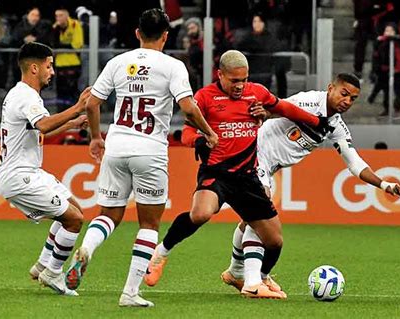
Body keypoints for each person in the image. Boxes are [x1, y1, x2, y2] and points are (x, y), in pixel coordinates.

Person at [143, 50, 333, 299]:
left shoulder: (257, 93)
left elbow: (284, 108)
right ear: (219, 75)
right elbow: (185, 132)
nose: (240, 86)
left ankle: (257, 277)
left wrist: (316, 122)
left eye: (244, 80)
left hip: (247, 177)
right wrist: (198, 140)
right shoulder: (205, 98)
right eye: (234, 81)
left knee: (275, 241)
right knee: (200, 214)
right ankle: (161, 254)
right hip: (217, 173)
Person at [64, 9, 218, 308]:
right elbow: (187, 108)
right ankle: (130, 293)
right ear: (166, 35)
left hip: (117, 146)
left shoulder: (117, 62)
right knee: (149, 224)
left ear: (137, 33)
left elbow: (93, 103)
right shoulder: (173, 66)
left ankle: (86, 249)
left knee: (108, 215)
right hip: (150, 151)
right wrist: (209, 133)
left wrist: (96, 137)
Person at [220, 73, 400, 293]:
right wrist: (264, 112)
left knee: (250, 218)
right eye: (344, 94)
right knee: (261, 214)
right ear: (331, 88)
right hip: (255, 153)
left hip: (269, 166)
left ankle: (236, 273)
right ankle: (253, 283)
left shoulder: (336, 126)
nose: (347, 101)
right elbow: (277, 106)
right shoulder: (308, 101)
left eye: (353, 98)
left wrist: (385, 185)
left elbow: (354, 163)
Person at [0, 42, 90, 296]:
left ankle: (42, 265)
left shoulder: (22, 95)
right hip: (20, 176)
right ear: (35, 68)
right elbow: (45, 125)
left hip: (29, 171)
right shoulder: (26, 96)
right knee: (74, 220)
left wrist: (71, 124)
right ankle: (53, 273)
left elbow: (39, 130)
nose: (53, 72)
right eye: (49, 66)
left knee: (75, 210)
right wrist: (77, 108)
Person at [367, 23, 400, 119]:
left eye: (391, 31)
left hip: (396, 70)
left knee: (397, 90)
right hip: (384, 69)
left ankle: (397, 109)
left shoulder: (397, 42)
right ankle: (386, 109)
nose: (388, 33)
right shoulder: (381, 42)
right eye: (387, 31)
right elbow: (377, 55)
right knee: (385, 90)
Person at [52, 8, 84, 112]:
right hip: (60, 63)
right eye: (56, 16)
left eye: (61, 15)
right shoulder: (55, 27)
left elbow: (77, 44)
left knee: (73, 90)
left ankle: (74, 113)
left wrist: (61, 47)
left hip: (73, 62)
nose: (58, 18)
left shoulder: (75, 24)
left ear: (66, 16)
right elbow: (53, 44)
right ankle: (60, 114)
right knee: (60, 91)